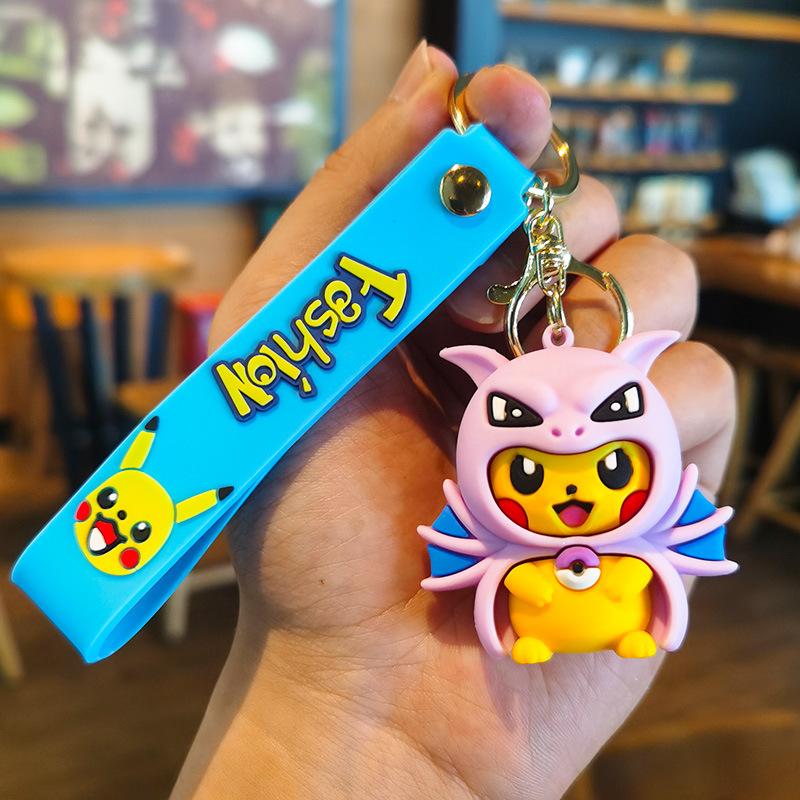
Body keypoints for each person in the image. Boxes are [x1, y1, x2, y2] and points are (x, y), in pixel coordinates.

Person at [172, 43, 735, 799]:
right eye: (527, 471)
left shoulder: (641, 534)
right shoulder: (477, 544)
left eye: (611, 465)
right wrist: (328, 704)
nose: (574, 479)